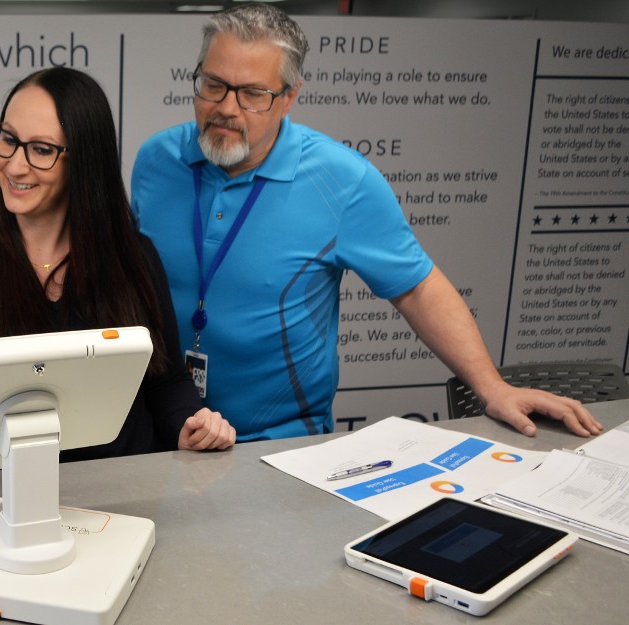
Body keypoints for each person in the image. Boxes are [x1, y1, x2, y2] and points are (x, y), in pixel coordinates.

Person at [131, 4, 602, 442]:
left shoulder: (342, 181)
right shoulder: (156, 161)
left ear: (289, 97)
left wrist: (492, 388)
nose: (227, 108)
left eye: (253, 94)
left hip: (279, 441)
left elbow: (418, 288)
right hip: (169, 428)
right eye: (213, 84)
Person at [0, 67, 235, 460]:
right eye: (8, 139)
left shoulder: (134, 257)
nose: (15, 166)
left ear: (83, 161)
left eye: (41, 149)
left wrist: (191, 425)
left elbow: (165, 382)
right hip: (8, 502)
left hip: (131, 494)